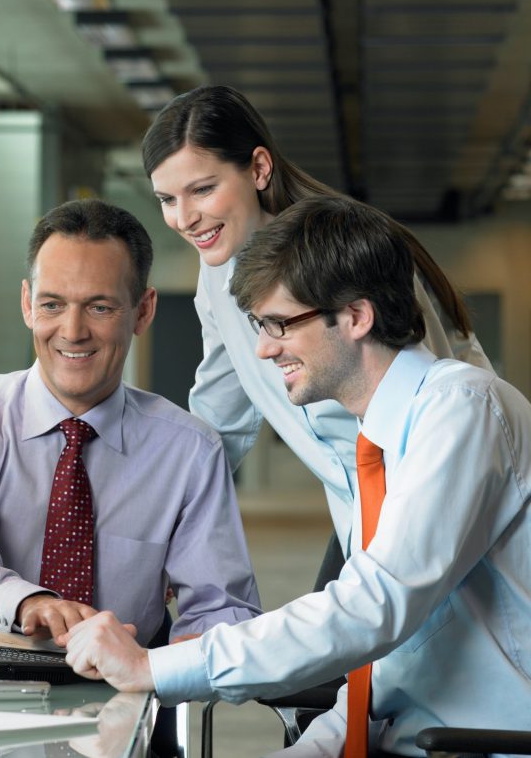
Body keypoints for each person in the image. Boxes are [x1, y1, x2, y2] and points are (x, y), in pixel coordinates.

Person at [63, 196, 531, 757]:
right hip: (411, 737)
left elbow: (373, 609)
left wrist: (153, 667)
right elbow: (387, 666)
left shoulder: (463, 410)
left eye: (280, 324)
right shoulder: (376, 448)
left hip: (483, 747)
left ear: (356, 317)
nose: (263, 349)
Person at [141, 85, 491, 550]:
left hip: (436, 505)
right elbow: (220, 418)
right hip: (358, 512)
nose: (184, 218)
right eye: (167, 200)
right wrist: (164, 528)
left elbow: (442, 405)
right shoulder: (217, 279)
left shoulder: (351, 253)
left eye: (202, 190)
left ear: (259, 169)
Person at [0, 198, 261, 650]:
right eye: (52, 305)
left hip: (126, 689)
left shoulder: (190, 450)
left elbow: (223, 608)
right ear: (27, 305)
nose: (73, 331)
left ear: (144, 311)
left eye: (99, 308)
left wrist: (175, 662)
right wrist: (27, 603)